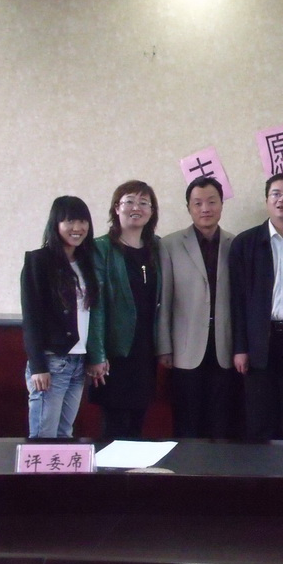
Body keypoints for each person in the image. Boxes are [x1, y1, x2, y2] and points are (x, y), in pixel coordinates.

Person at [229, 172, 283, 440]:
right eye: (275, 194)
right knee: (259, 418)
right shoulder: (245, 243)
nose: (281, 200)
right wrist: (240, 348)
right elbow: (237, 301)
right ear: (266, 201)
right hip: (258, 342)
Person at [157, 176, 235, 439]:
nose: (205, 209)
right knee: (187, 423)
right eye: (198, 203)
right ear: (189, 208)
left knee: (221, 423)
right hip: (185, 347)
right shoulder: (169, 244)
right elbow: (165, 299)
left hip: (224, 346)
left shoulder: (235, 244)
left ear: (221, 204)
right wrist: (164, 346)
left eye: (212, 202)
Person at [21, 196, 103, 438]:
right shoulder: (39, 261)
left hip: (78, 361)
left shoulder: (86, 261)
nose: (77, 228)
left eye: (82, 221)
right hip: (52, 361)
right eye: (69, 221)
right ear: (55, 224)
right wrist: (38, 367)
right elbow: (31, 317)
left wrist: (94, 355)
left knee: (65, 434)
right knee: (44, 436)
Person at [88, 180, 161, 439]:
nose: (136, 207)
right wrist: (97, 354)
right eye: (129, 201)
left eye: (144, 203)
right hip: (114, 352)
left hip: (145, 351)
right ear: (116, 208)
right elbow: (95, 306)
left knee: (137, 425)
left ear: (152, 212)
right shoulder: (101, 248)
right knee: (114, 428)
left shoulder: (156, 248)